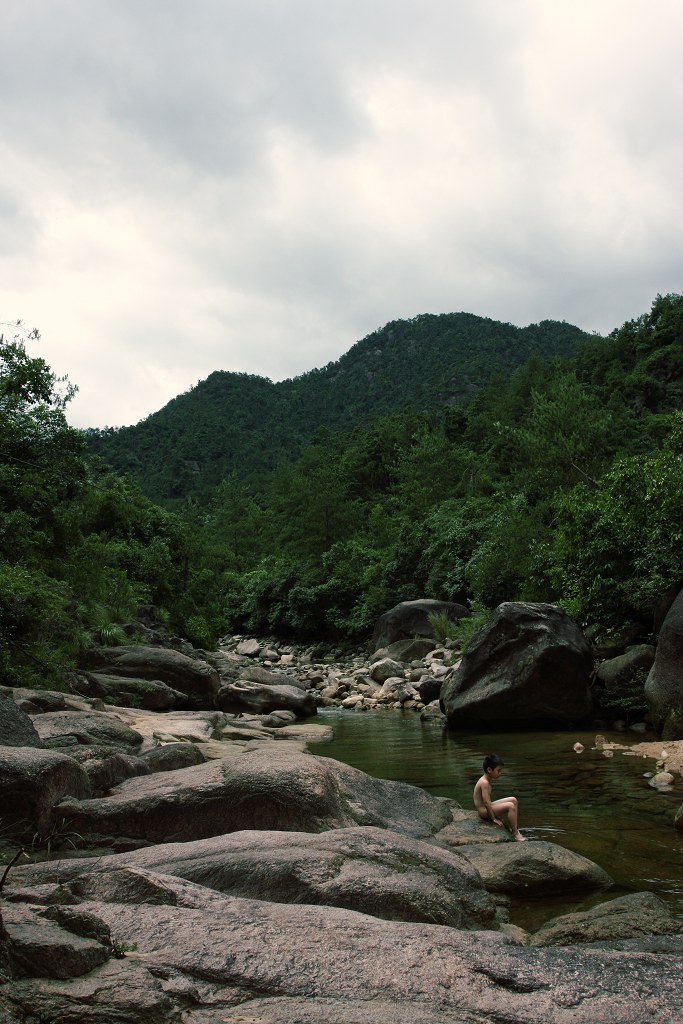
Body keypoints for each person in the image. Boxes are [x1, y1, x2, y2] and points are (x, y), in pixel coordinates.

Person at [473, 754, 526, 841]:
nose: (500, 773)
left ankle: (515, 828)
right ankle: (516, 834)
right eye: (498, 770)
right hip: (483, 811)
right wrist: (494, 818)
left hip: (487, 806)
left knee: (513, 800)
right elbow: (486, 802)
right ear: (489, 770)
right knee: (510, 806)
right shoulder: (484, 783)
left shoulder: (485, 780)